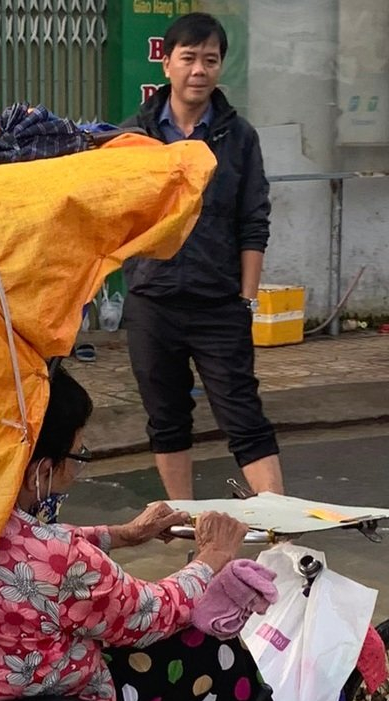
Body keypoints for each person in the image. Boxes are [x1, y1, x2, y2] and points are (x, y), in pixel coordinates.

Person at [0, 367, 380, 701]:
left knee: (169, 653)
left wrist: (121, 534)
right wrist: (211, 556)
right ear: (41, 466)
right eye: (77, 455)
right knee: (211, 654)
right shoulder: (58, 559)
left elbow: (33, 547)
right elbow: (151, 613)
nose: (77, 471)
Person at [123, 11, 284, 501]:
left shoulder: (239, 138)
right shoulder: (136, 136)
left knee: (244, 416)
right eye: (188, 58)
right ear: (166, 63)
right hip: (153, 300)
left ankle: (283, 531)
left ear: (220, 68)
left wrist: (246, 300)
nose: (199, 70)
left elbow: (253, 220)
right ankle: (183, 520)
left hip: (219, 303)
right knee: (167, 417)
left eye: (209, 60)